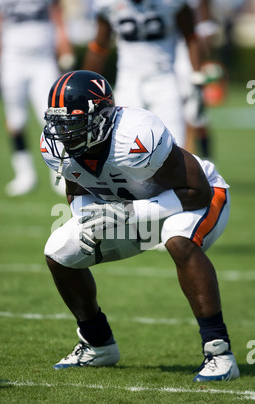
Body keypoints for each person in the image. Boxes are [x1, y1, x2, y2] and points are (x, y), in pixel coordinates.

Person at [40, 70, 239, 382]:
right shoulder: (56, 147)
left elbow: (196, 190)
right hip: (132, 210)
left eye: (74, 122)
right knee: (59, 251)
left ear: (102, 118)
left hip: (195, 198)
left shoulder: (135, 135)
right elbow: (76, 191)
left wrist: (127, 213)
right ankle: (97, 343)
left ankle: (220, 353)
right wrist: (90, 218)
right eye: (59, 122)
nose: (64, 133)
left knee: (178, 241)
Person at [82, 0, 205, 149]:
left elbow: (191, 37)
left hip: (164, 79)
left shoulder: (172, 3)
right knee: (123, 145)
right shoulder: (109, 5)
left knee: (174, 145)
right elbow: (100, 47)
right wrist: (85, 86)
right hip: (128, 80)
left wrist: (197, 73)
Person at [0, 0, 74, 197]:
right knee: (16, 119)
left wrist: (65, 52)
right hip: (12, 61)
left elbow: (59, 22)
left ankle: (57, 173)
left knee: (53, 117)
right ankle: (24, 174)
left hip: (43, 60)